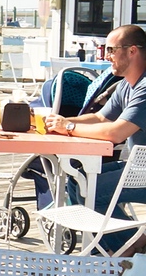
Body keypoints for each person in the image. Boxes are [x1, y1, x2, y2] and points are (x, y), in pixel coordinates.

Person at [44, 24, 146, 253]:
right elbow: (100, 117)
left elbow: (116, 132)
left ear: (132, 51)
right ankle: (125, 247)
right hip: (138, 169)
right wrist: (58, 121)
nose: (106, 56)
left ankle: (132, 246)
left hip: (143, 172)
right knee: (77, 181)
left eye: (110, 50)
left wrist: (68, 127)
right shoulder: (126, 85)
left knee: (88, 190)